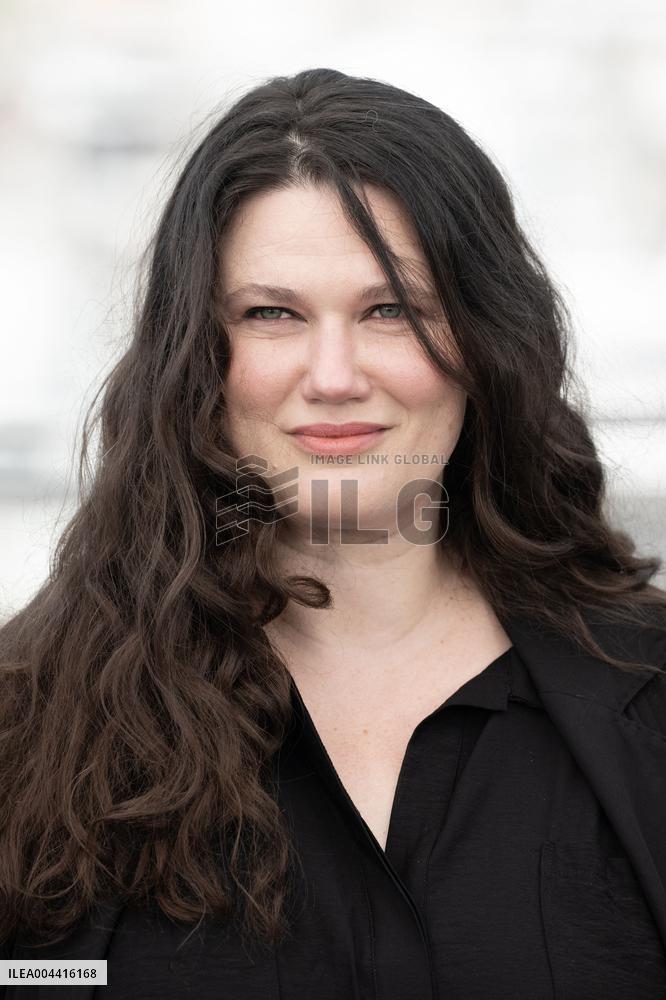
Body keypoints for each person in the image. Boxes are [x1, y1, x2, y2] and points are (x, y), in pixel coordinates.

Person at [1, 66, 666, 1000]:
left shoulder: (650, 692)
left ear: (486, 341)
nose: (335, 374)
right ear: (196, 353)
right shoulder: (26, 724)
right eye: (271, 313)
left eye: (391, 308)